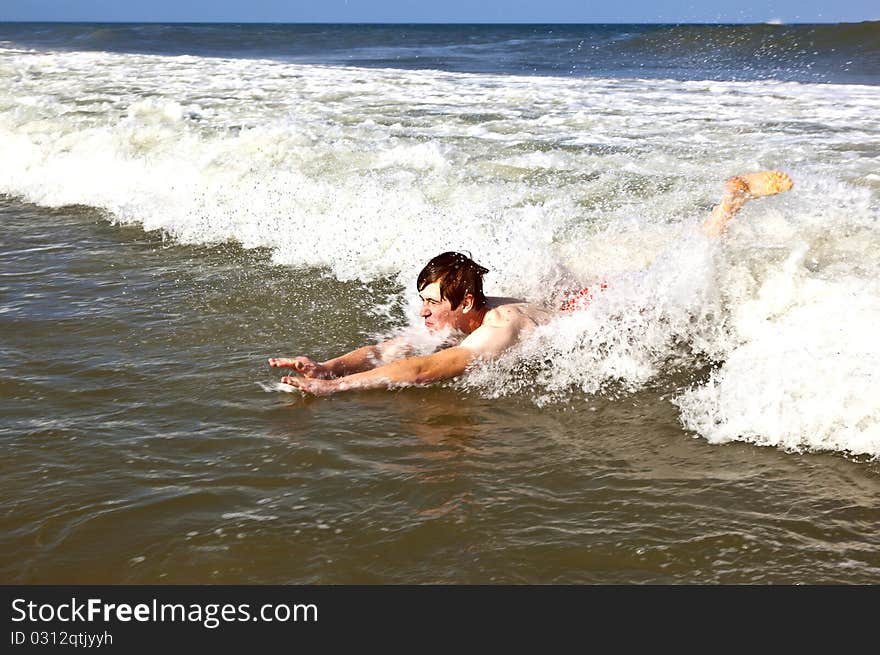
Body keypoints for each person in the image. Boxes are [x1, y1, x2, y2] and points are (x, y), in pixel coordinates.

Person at [269, 170, 793, 395]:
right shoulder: (454, 318)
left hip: (608, 314)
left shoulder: (498, 325)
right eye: (422, 301)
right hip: (576, 304)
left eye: (433, 303)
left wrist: (334, 389)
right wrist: (329, 364)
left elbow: (426, 371)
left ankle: (731, 205)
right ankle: (728, 205)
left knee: (676, 278)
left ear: (465, 300)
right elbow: (390, 350)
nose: (424, 312)